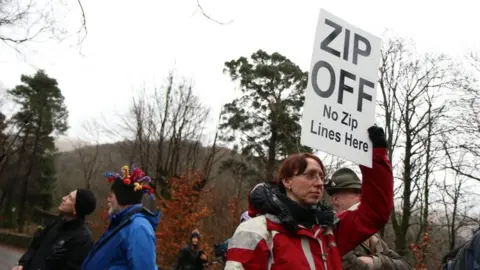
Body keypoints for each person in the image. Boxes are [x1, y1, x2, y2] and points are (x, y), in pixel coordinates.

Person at [225, 126, 394, 270]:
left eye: (321, 176)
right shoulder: (257, 230)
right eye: (310, 175)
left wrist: (376, 156)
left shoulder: (330, 231)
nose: (319, 183)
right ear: (287, 181)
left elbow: (375, 211)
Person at [326, 167, 411, 269]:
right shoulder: (330, 231)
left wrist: (375, 262)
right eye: (355, 191)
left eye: (362, 192)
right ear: (336, 199)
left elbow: (405, 266)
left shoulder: (372, 236)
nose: (362, 196)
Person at [81, 165, 160, 270]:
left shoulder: (138, 227)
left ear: (122, 197)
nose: (108, 200)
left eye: (111, 196)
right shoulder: (122, 223)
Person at [13, 189, 97, 270]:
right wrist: (22, 264)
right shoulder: (56, 222)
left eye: (69, 198)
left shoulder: (83, 240)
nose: (64, 198)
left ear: (76, 209)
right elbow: (35, 245)